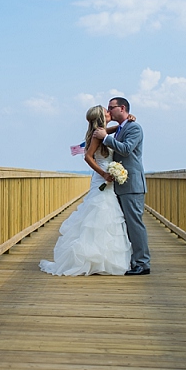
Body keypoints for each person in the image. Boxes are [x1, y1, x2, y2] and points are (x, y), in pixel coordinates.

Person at [39, 106, 132, 276]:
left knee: (106, 215)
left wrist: (123, 124)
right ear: (101, 117)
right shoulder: (98, 134)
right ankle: (94, 258)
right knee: (100, 213)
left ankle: (101, 258)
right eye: (107, 112)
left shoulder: (100, 132)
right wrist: (104, 173)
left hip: (106, 178)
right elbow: (87, 156)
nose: (110, 113)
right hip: (102, 178)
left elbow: (109, 131)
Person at [93, 96, 151, 276]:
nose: (109, 112)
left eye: (112, 108)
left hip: (132, 184)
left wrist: (105, 138)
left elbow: (126, 149)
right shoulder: (121, 128)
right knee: (126, 224)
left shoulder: (134, 128)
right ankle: (133, 260)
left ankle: (142, 263)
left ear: (122, 108)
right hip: (121, 185)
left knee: (135, 224)